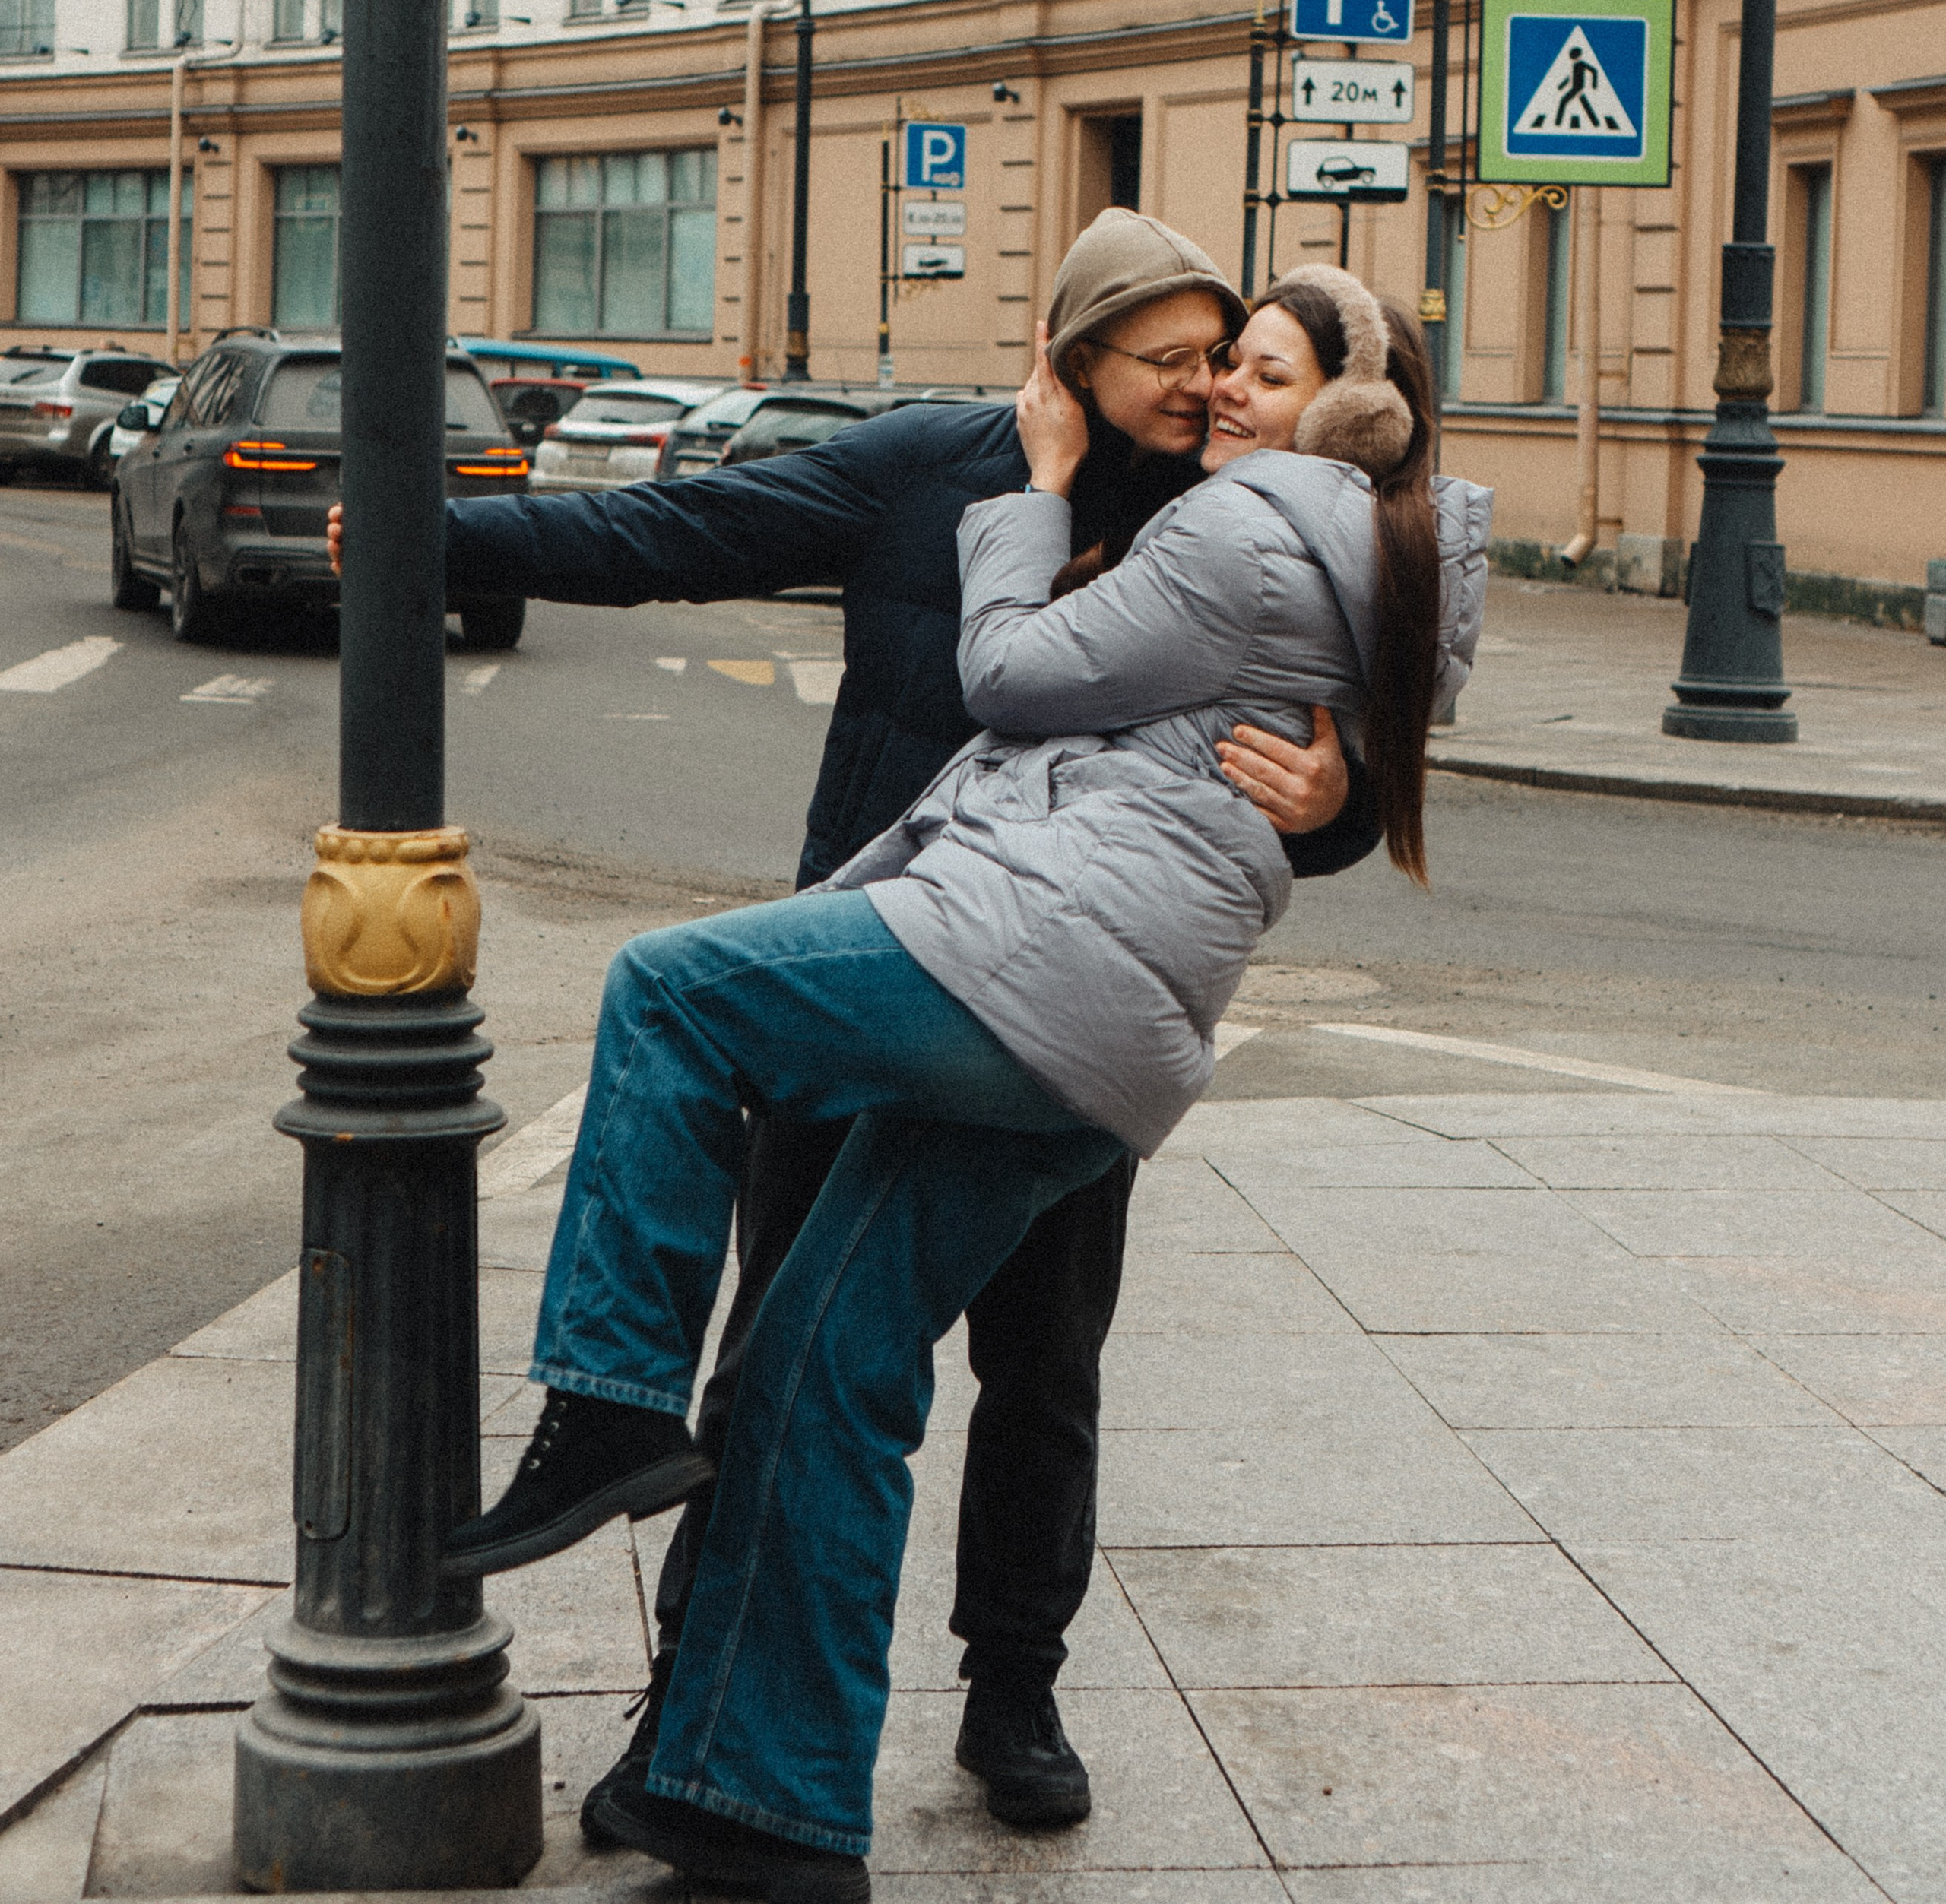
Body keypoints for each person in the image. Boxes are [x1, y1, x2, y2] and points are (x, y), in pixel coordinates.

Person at [431, 265, 1491, 1904]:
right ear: (1071, 356)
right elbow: (679, 536)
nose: (1204, 387)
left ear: (1333, 416)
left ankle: (993, 1678)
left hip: (1039, 967)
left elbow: (1259, 733)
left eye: (1233, 363)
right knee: (801, 1365)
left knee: (1030, 1364)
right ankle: (743, 1789)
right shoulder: (942, 461)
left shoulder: (1230, 510)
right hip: (906, 953)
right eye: (1175, 359)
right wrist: (459, 538)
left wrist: (1337, 787)